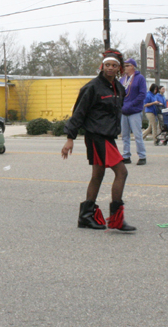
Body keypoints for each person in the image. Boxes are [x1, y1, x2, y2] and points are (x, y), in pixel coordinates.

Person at [61, 49, 136, 232]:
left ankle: (85, 217)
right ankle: (116, 220)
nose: (110, 68)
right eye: (107, 65)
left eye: (114, 65)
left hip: (108, 136)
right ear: (102, 67)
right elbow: (79, 113)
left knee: (98, 175)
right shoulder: (92, 87)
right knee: (122, 172)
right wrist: (70, 138)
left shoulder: (119, 88)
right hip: (96, 136)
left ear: (119, 68)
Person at [119, 58, 147, 165]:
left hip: (134, 111)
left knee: (137, 135)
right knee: (125, 135)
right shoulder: (122, 79)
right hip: (123, 111)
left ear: (133, 66)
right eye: (124, 65)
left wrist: (131, 104)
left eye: (127, 65)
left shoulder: (140, 78)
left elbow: (142, 94)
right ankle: (126, 155)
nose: (125, 68)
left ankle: (142, 156)